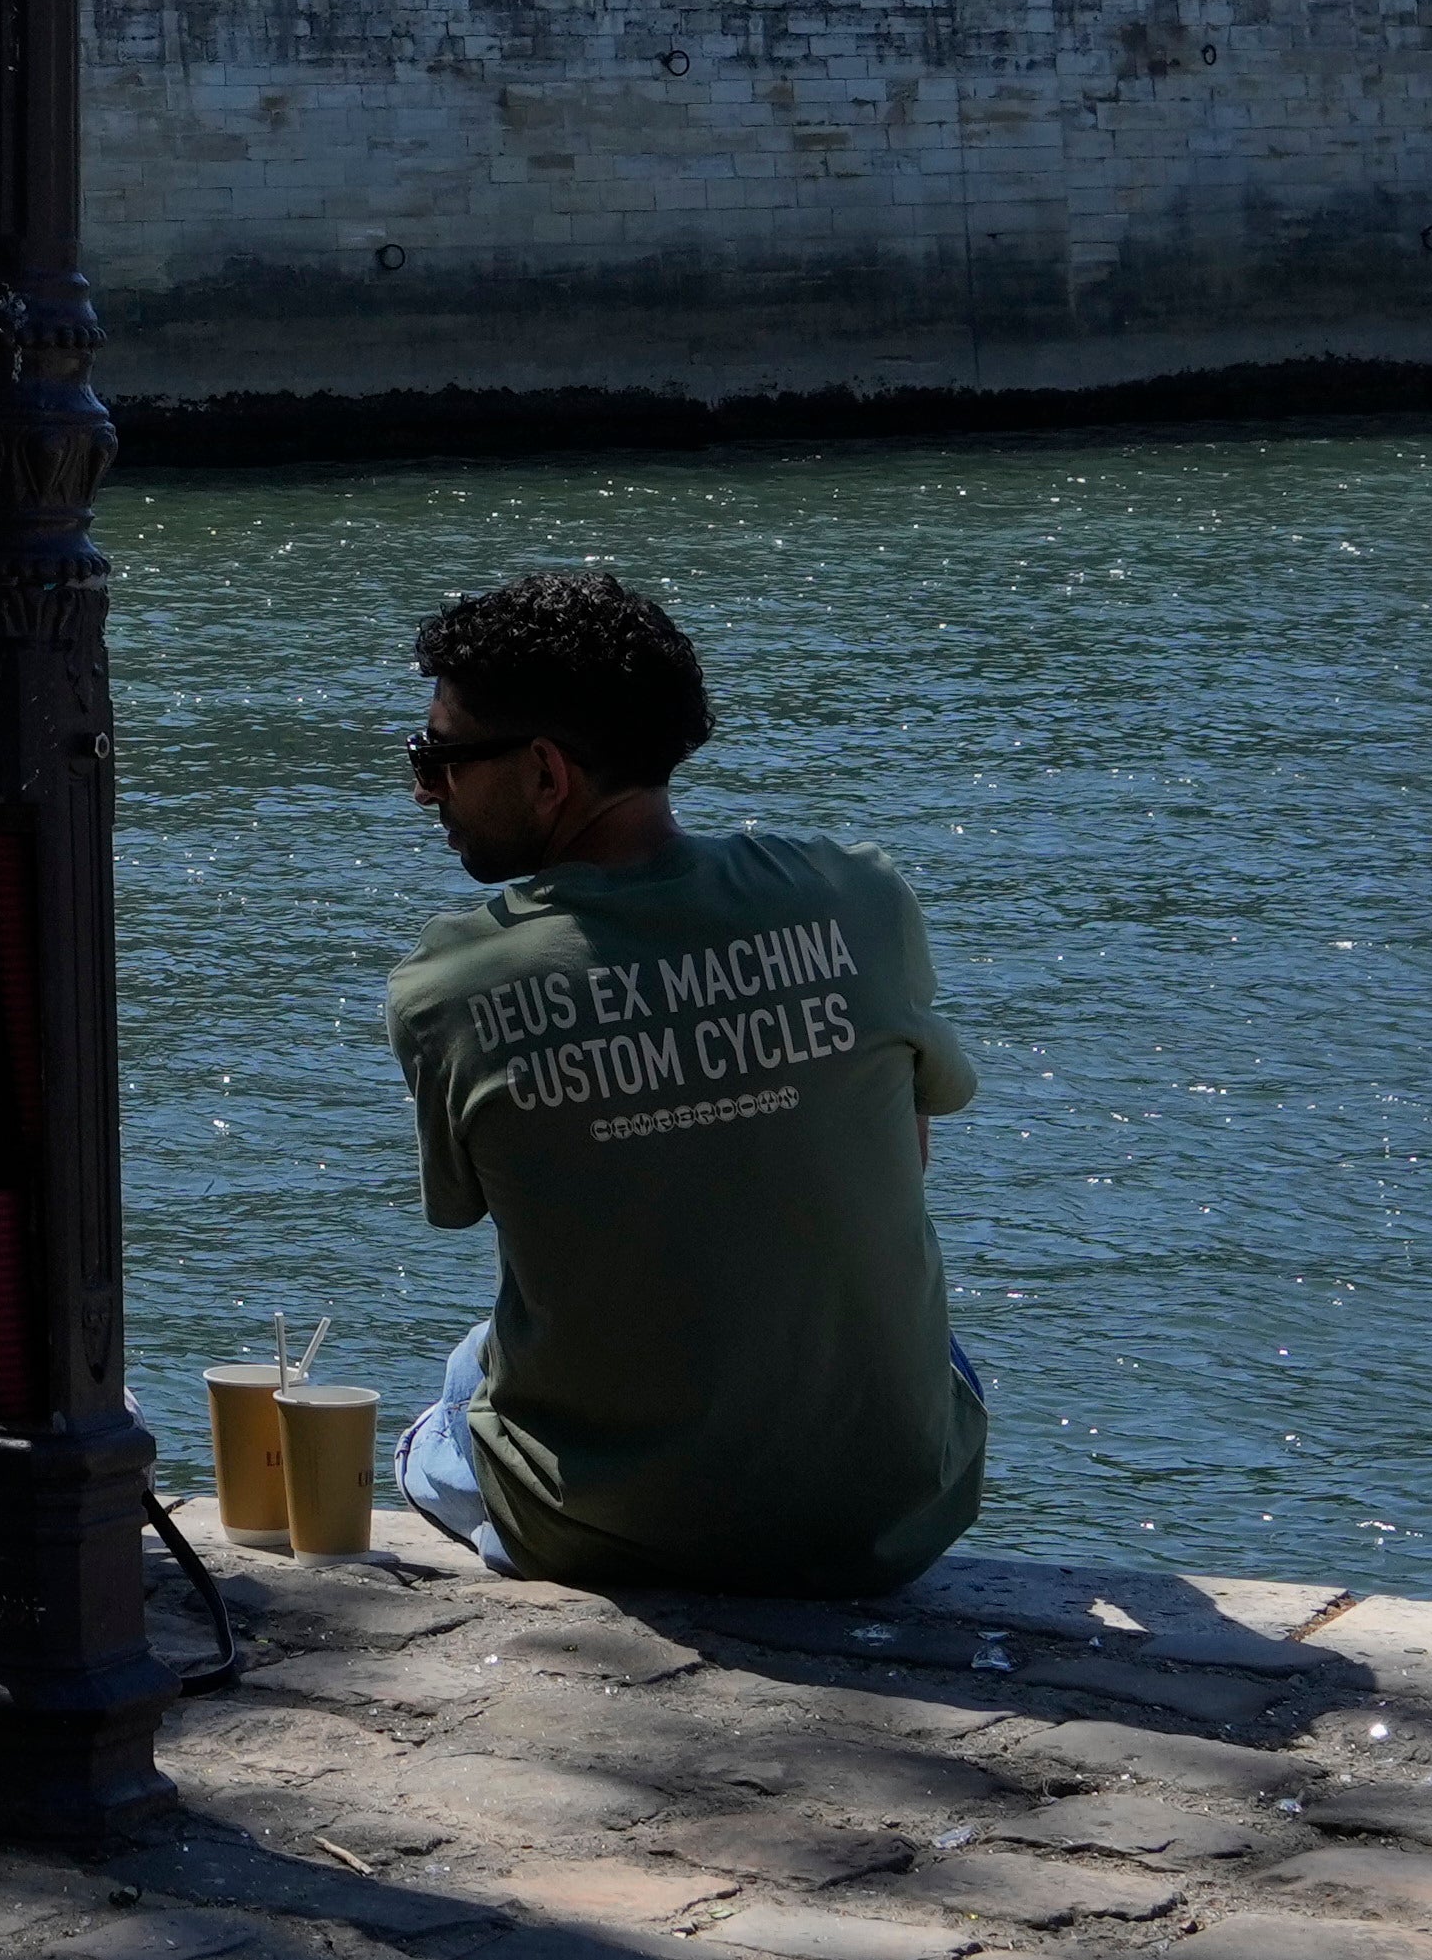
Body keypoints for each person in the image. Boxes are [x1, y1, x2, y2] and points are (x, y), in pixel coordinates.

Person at [376, 564, 987, 1597]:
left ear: (544, 772)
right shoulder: (859, 896)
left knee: (445, 1397)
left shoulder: (450, 983)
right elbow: (901, 1159)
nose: (423, 785)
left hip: (600, 1529)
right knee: (927, 1344)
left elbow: (537, 1233)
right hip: (890, 1512)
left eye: (435, 754)